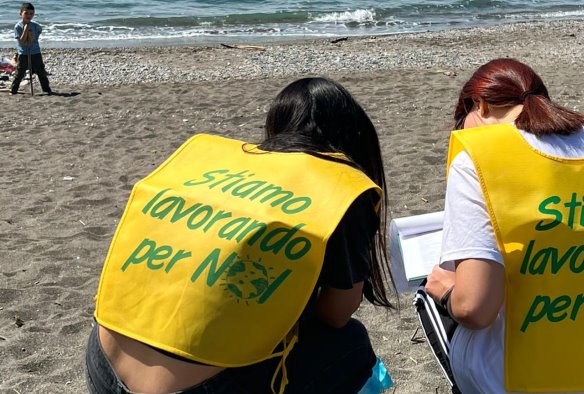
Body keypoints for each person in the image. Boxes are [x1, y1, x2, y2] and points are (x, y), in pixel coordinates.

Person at [85, 77, 395, 394]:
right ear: (355, 137)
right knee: (350, 343)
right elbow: (336, 314)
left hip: (103, 361)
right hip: (194, 388)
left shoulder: (224, 171)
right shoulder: (340, 190)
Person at [425, 58, 584, 393]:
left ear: (479, 105)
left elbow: (475, 308)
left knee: (438, 299)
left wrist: (445, 292)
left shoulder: (479, 158)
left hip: (531, 378)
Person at [11, 2, 51, 95]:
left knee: (40, 71)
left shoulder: (35, 25)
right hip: (23, 53)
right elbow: (21, 42)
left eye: (31, 13)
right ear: (21, 14)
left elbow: (38, 33)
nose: (29, 15)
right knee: (20, 72)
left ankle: (46, 89)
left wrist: (33, 37)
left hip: (35, 51)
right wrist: (25, 30)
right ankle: (13, 90)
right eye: (26, 13)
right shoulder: (18, 26)